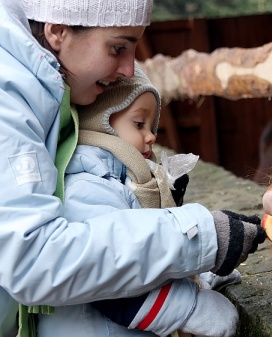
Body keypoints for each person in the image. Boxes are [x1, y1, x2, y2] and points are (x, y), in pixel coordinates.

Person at [0, 1, 266, 337]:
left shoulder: (40, 95)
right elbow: (34, 260)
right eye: (117, 48)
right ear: (57, 31)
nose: (129, 69)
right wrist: (197, 240)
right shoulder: (9, 103)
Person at [37, 65, 243, 336]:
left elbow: (145, 252)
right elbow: (108, 275)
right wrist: (191, 308)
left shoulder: (121, 182)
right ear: (102, 122)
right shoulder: (88, 186)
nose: (152, 136)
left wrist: (197, 274)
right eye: (139, 124)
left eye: (152, 126)